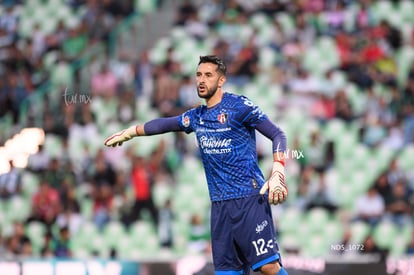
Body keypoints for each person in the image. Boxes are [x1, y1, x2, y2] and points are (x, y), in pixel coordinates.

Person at [105, 55, 288, 275]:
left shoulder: (239, 106)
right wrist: (131, 131)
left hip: (249, 198)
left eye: (208, 75)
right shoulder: (196, 117)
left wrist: (278, 169)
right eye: (198, 75)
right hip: (220, 207)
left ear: (221, 80)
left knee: (268, 267)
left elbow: (277, 134)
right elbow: (165, 124)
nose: (201, 80)